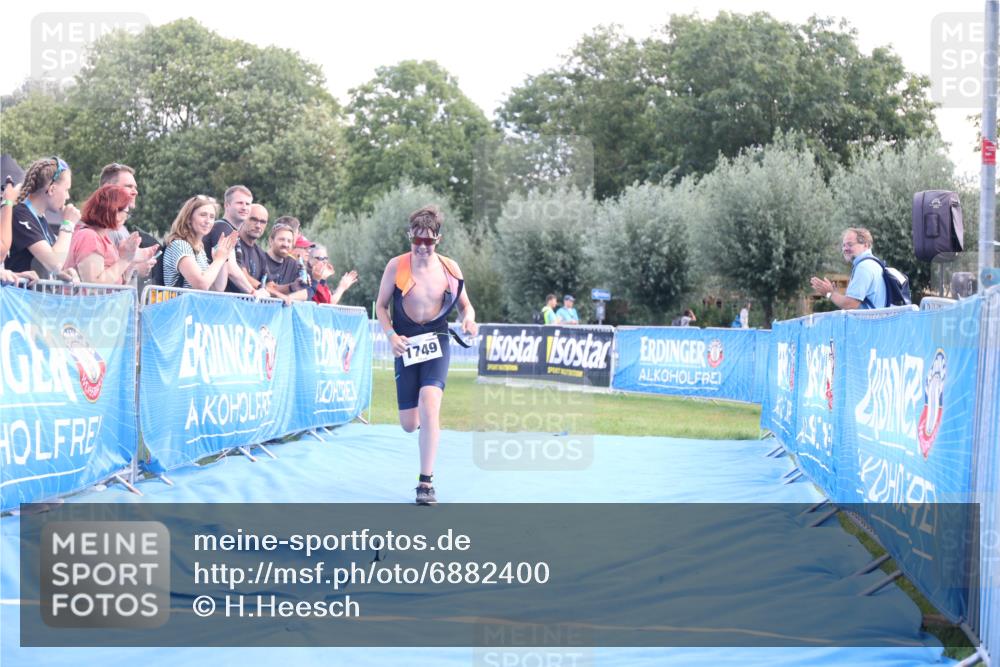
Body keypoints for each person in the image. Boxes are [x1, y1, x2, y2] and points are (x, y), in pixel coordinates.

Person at [375, 205, 477, 505]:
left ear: (438, 240)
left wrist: (469, 320)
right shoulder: (396, 266)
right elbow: (380, 306)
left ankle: (425, 483)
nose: (421, 247)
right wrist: (391, 335)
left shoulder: (450, 269)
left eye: (428, 242)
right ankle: (424, 429)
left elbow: (465, 306)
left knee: (430, 403)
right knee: (409, 423)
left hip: (437, 340)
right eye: (416, 241)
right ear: (410, 237)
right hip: (406, 344)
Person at [62, 184, 158, 285]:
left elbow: (117, 281)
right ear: (114, 211)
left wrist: (129, 260)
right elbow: (94, 284)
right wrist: (126, 258)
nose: (126, 217)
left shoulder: (103, 238)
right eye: (126, 213)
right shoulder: (89, 237)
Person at [7, 157, 81, 280]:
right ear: (52, 189)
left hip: (34, 298)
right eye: (67, 190)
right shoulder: (20, 214)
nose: (68, 197)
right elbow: (54, 263)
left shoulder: (39, 218)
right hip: (20, 298)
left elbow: (49, 265)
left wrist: (58, 275)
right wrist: (68, 224)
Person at [162, 195, 238, 291]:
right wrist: (219, 259)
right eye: (203, 215)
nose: (208, 221)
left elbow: (217, 288)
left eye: (212, 217)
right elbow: (201, 284)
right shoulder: (180, 245)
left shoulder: (199, 249)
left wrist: (223, 258)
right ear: (189, 218)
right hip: (180, 305)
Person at [810, 227, 887, 310]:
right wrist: (835, 294)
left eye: (850, 244)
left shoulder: (864, 267)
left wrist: (829, 293)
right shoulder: (874, 264)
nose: (845, 249)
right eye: (844, 245)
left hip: (870, 322)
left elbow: (851, 305)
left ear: (866, 245)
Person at [225, 203, 270, 296]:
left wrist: (292, 288)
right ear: (243, 219)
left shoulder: (261, 253)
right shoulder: (232, 242)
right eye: (253, 219)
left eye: (262, 222)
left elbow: (269, 283)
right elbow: (241, 274)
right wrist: (261, 289)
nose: (258, 225)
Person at [262, 220, 308, 303]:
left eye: (289, 241)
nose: (286, 244)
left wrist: (289, 297)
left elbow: (305, 293)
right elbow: (265, 287)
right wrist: (285, 294)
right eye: (281, 239)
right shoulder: (261, 259)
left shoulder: (293, 263)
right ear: (271, 240)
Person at [203, 185, 252, 259]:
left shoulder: (233, 231)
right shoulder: (221, 228)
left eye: (247, 204)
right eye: (239, 203)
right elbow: (228, 267)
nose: (244, 208)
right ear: (226, 205)